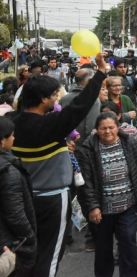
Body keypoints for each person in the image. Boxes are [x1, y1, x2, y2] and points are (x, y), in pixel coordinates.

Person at [9, 53, 107, 277]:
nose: (57, 99)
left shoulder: (11, 124)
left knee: (25, 252)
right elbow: (80, 106)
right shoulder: (52, 125)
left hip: (21, 198)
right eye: (54, 95)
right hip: (53, 198)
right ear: (43, 99)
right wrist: (100, 73)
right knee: (50, 255)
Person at [76, 112, 137, 277]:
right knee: (103, 248)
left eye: (111, 127)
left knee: (128, 242)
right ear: (96, 130)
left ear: (117, 127)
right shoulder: (87, 150)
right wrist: (93, 207)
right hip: (101, 210)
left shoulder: (130, 142)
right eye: (103, 128)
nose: (107, 132)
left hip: (129, 205)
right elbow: (85, 183)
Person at [0, 117, 37, 276]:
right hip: (10, 243)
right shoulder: (8, 171)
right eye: (12, 136)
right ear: (2, 141)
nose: (14, 139)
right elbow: (15, 214)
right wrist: (29, 239)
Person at [59, 68, 100, 148]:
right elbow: (90, 127)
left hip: (67, 145)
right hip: (84, 146)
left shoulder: (64, 99)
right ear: (90, 81)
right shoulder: (93, 99)